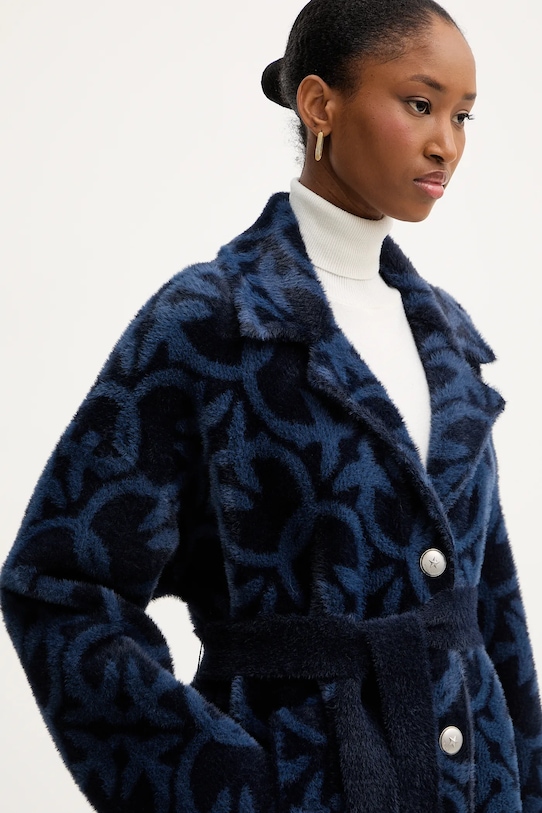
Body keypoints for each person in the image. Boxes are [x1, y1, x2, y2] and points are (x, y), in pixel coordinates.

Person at [1, 0, 541, 811]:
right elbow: (59, 587)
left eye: (463, 116)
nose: (447, 143)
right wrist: (226, 786)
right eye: (419, 104)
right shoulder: (212, 320)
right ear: (320, 104)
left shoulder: (449, 340)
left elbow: (491, 606)